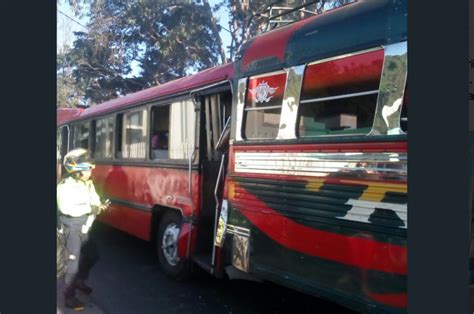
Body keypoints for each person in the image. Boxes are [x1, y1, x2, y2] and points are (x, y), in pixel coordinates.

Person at [57, 148, 110, 310]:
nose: (90, 171)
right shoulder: (65, 186)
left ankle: (79, 280)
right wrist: (92, 208)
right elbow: (68, 208)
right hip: (72, 229)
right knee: (72, 267)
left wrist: (100, 206)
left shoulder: (87, 183)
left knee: (93, 255)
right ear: (76, 170)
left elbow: (95, 199)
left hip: (85, 227)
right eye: (87, 168)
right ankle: (68, 297)